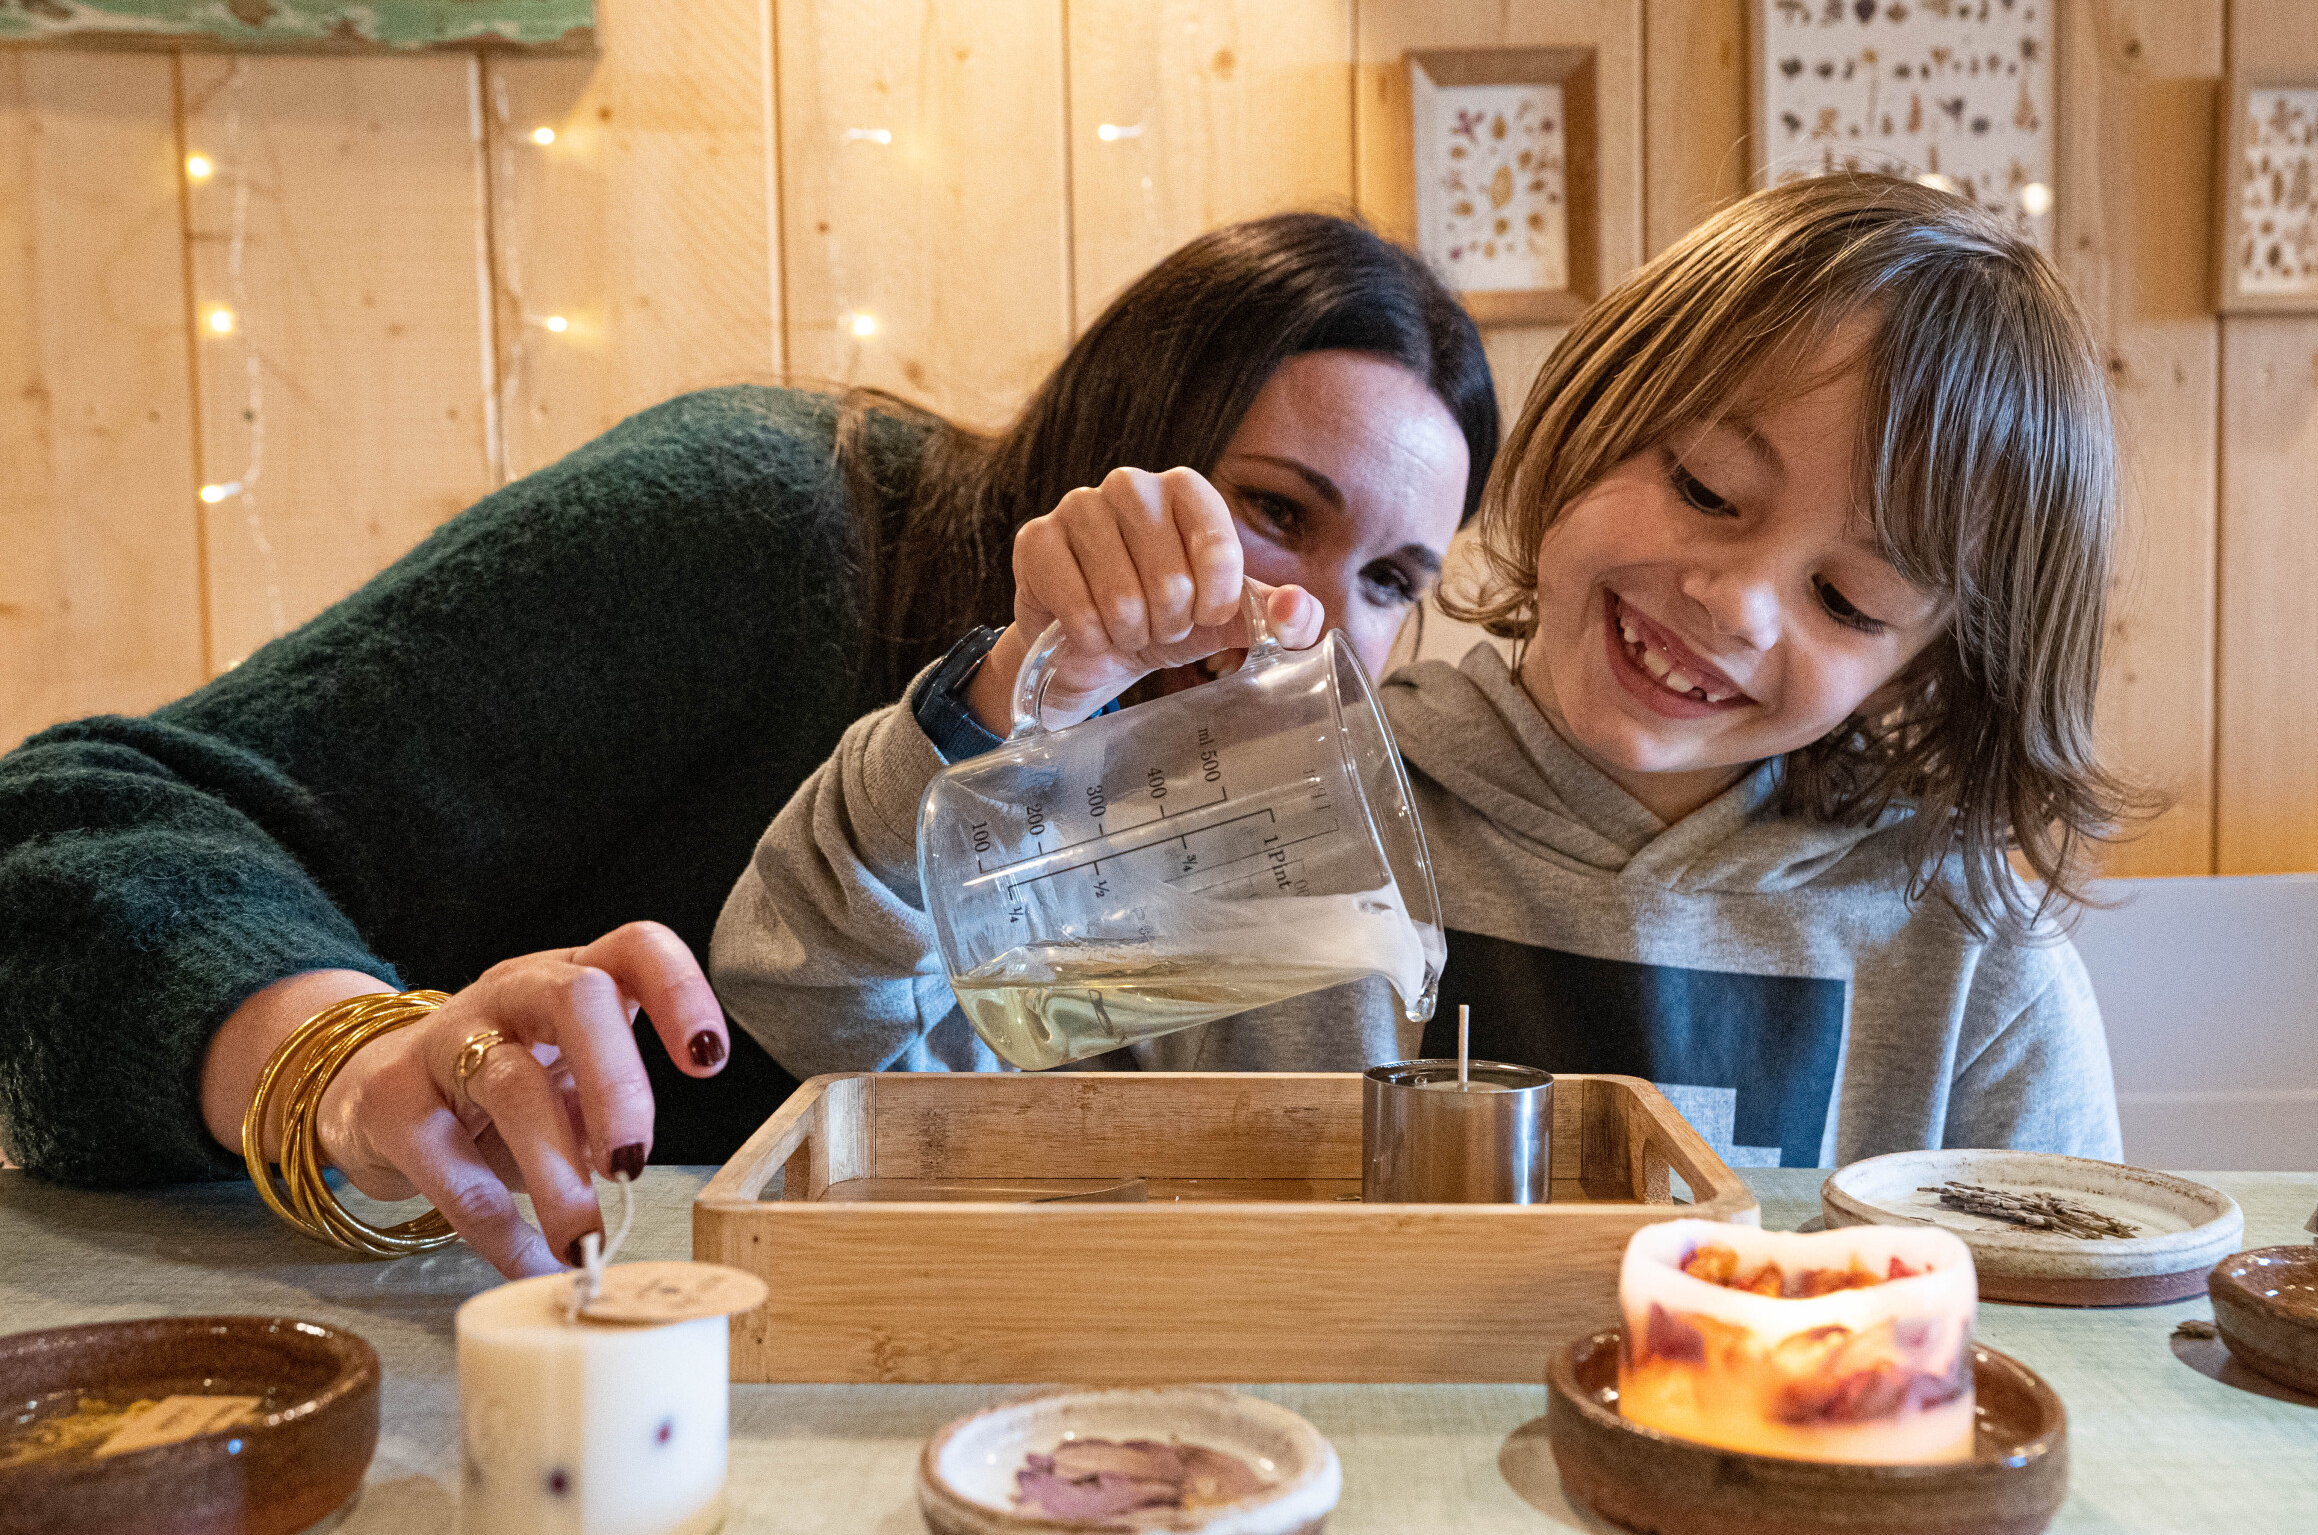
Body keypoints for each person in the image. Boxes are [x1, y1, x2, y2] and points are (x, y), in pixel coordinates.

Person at [0, 213, 1498, 1277]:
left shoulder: (1215, 814)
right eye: (1275, 512)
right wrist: (345, 1060)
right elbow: (67, 822)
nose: (1308, 625)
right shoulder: (769, 524)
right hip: (385, 1317)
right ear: (1124, 430)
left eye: (1390, 582)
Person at [713, 173, 2142, 1167]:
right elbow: (819, 1007)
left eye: (1847, 598)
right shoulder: (1267, 802)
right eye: (1707, 488)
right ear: (1593, 424)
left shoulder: (1966, 959)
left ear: (1926, 668)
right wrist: (993, 704)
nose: (1737, 604)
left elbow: (2073, 1345)